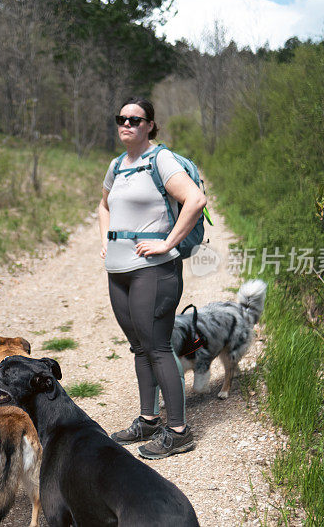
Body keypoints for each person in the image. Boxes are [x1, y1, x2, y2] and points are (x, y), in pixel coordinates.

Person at [98, 97, 206, 460]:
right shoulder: (117, 165)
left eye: (135, 119)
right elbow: (103, 205)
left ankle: (178, 431)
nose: (126, 124)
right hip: (119, 272)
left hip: (154, 272)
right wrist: (105, 242)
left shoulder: (160, 159)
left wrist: (167, 243)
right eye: (121, 118)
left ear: (149, 125)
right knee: (140, 346)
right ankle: (148, 418)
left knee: (157, 346)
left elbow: (195, 200)